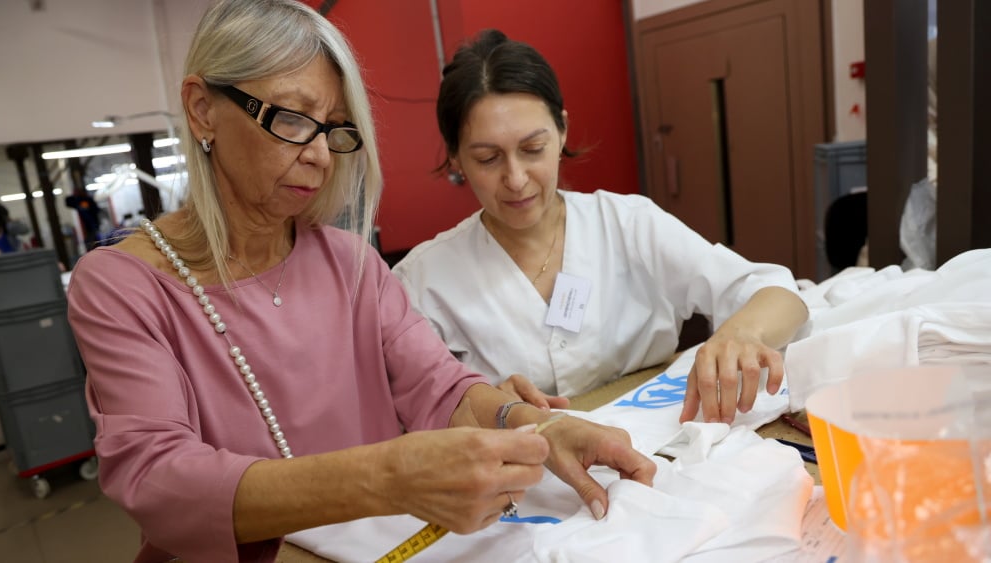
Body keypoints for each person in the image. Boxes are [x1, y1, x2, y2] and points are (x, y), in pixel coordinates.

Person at [65, 3, 655, 562]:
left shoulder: (351, 263)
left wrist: (540, 427)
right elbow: (158, 480)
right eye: (294, 120)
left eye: (336, 130)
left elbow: (439, 386)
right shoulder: (123, 286)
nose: (322, 155)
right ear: (201, 109)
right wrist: (388, 478)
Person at [392, 29, 809, 426]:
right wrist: (477, 408)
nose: (516, 178)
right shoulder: (423, 280)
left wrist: (739, 334)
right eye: (487, 158)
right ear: (456, 159)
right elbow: (409, 411)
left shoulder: (627, 224)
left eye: (533, 149)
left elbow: (778, 292)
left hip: (664, 448)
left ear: (562, 131)